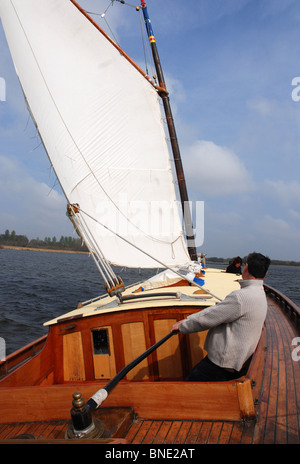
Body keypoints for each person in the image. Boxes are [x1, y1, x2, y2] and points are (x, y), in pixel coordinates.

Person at [172, 252, 271, 381]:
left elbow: (209, 318)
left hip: (223, 364)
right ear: (265, 274)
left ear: (245, 268)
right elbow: (218, 311)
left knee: (188, 386)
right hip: (240, 362)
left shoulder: (240, 297)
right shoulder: (261, 294)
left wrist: (183, 325)